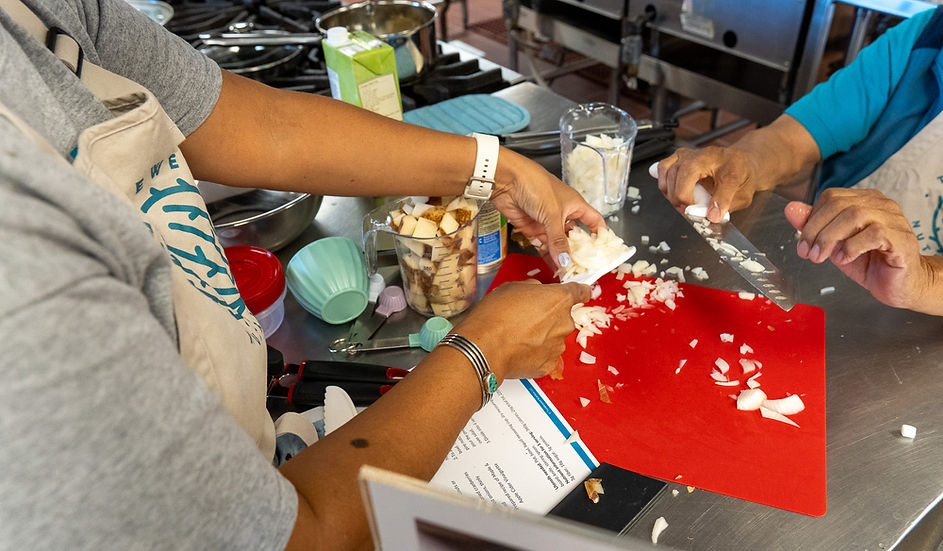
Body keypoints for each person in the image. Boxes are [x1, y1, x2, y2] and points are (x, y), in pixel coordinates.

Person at [0, 0, 601, 548]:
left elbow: (261, 125)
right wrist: (486, 350)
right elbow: (299, 538)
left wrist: (497, 171)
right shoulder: (22, 269)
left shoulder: (45, 9)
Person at [655, 3, 943, 322]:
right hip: (830, 293)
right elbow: (795, 138)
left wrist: (927, 280)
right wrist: (747, 163)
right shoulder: (936, 36)